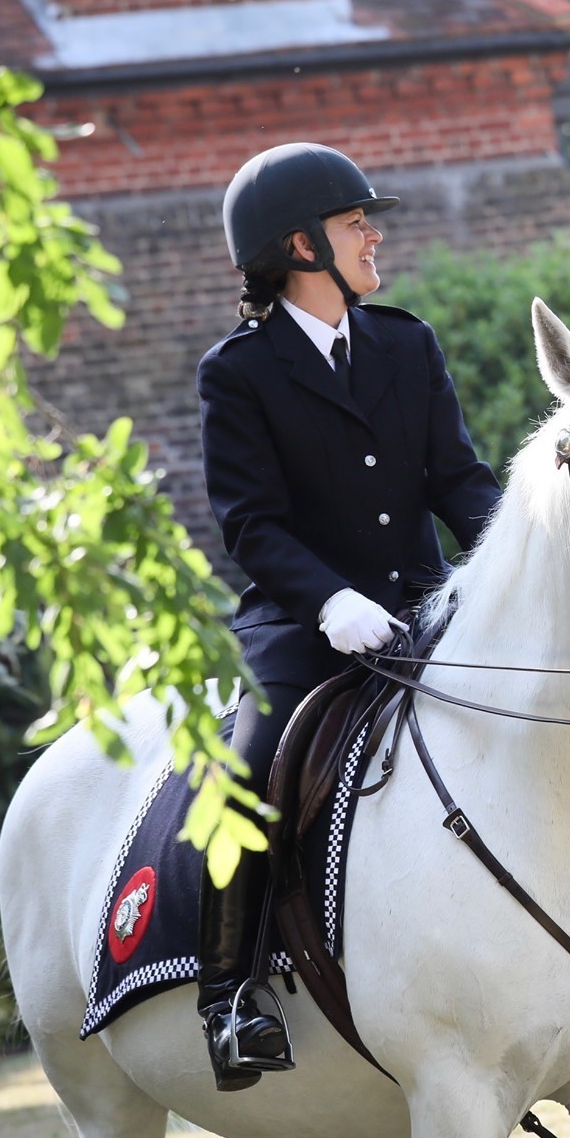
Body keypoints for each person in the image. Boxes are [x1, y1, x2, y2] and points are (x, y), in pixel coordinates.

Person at [195, 143, 499, 1088]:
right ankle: (231, 995)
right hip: (300, 623)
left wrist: (522, 566)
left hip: (424, 604)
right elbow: (251, 523)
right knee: (244, 764)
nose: (374, 233)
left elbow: (458, 478)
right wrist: (331, 603)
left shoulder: (406, 343)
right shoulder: (238, 372)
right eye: (355, 220)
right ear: (299, 246)